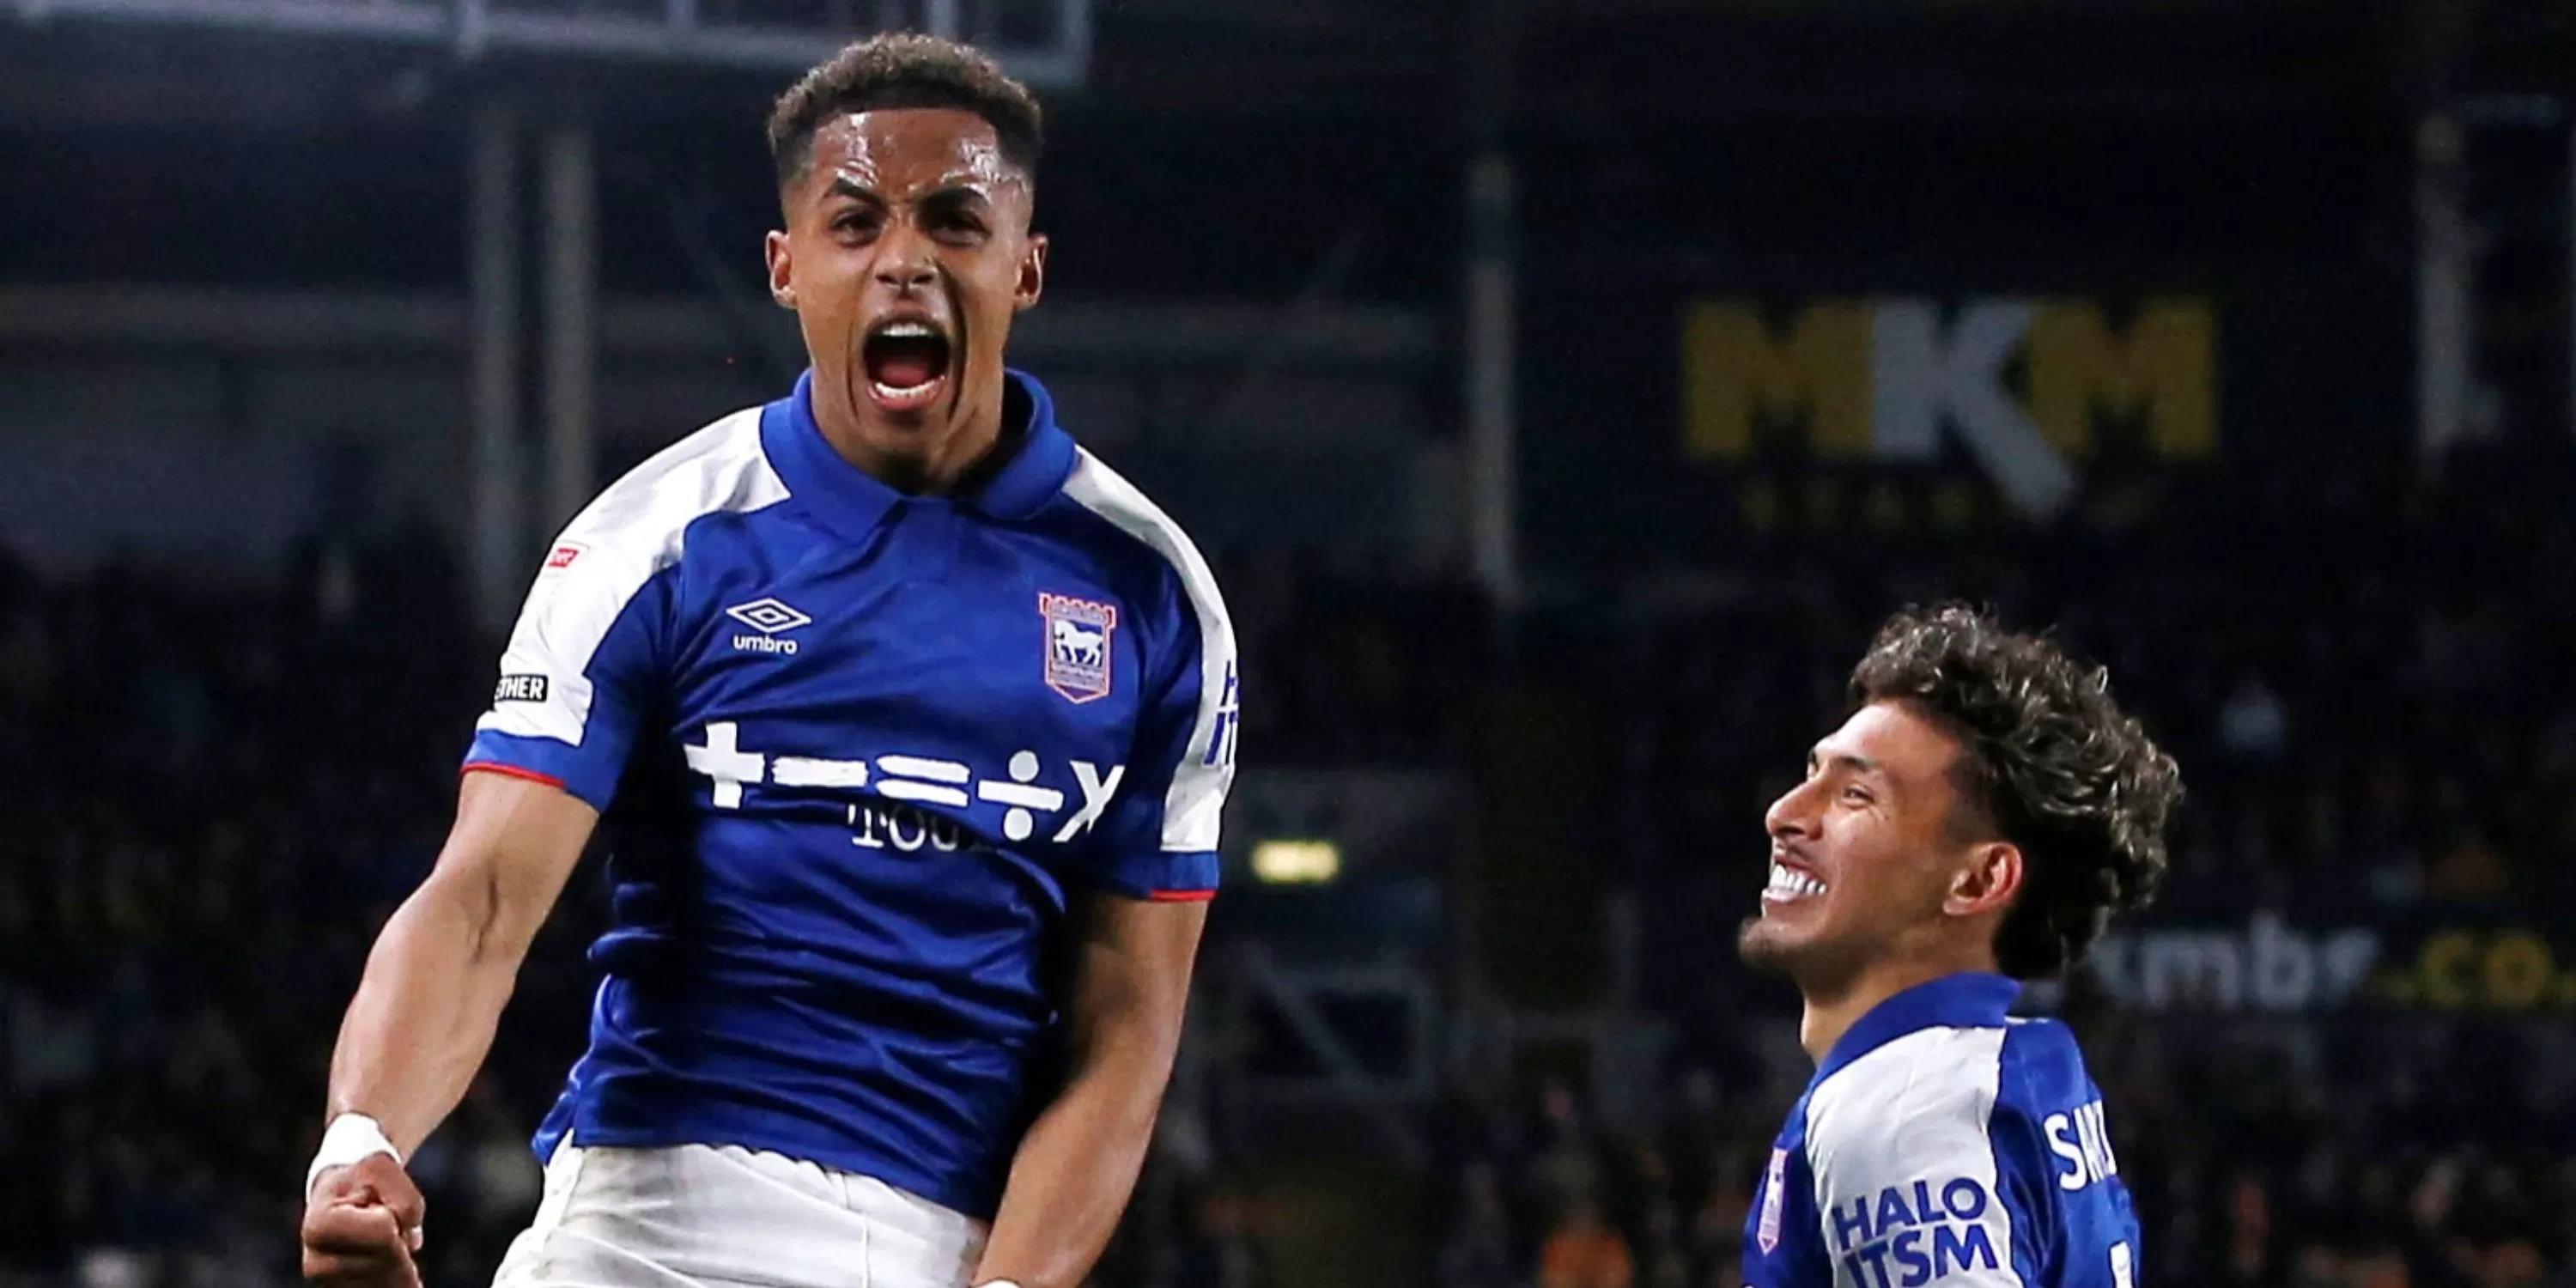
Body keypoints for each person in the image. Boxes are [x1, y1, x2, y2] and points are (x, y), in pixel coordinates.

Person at [298, 32, 1239, 1288]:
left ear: (1027, 268)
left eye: (956, 220)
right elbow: (479, 901)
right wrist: (360, 1144)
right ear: (788, 269)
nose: (904, 258)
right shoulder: (659, 538)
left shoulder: (1154, 596)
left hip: (949, 1236)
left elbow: (1130, 1028)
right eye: (856, 224)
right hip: (649, 1213)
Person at [1736, 606, 2181, 1288]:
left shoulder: (1901, 1107)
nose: (1785, 813)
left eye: (1855, 795)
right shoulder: (2002, 1074)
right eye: (1811, 772)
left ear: (1978, 880)